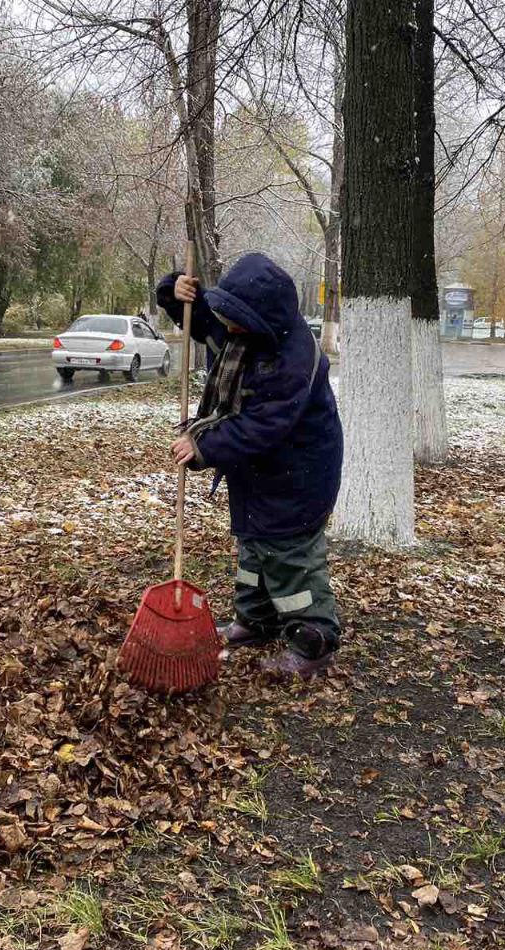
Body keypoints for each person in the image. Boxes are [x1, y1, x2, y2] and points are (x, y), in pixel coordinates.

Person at [157, 253, 344, 679]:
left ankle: (313, 639)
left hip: (299, 476)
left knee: (289, 555)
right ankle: (256, 621)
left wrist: (204, 446)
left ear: (262, 319)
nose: (227, 326)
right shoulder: (248, 328)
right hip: (259, 473)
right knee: (254, 545)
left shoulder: (292, 358)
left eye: (236, 319)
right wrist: (176, 293)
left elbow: (262, 425)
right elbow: (205, 319)